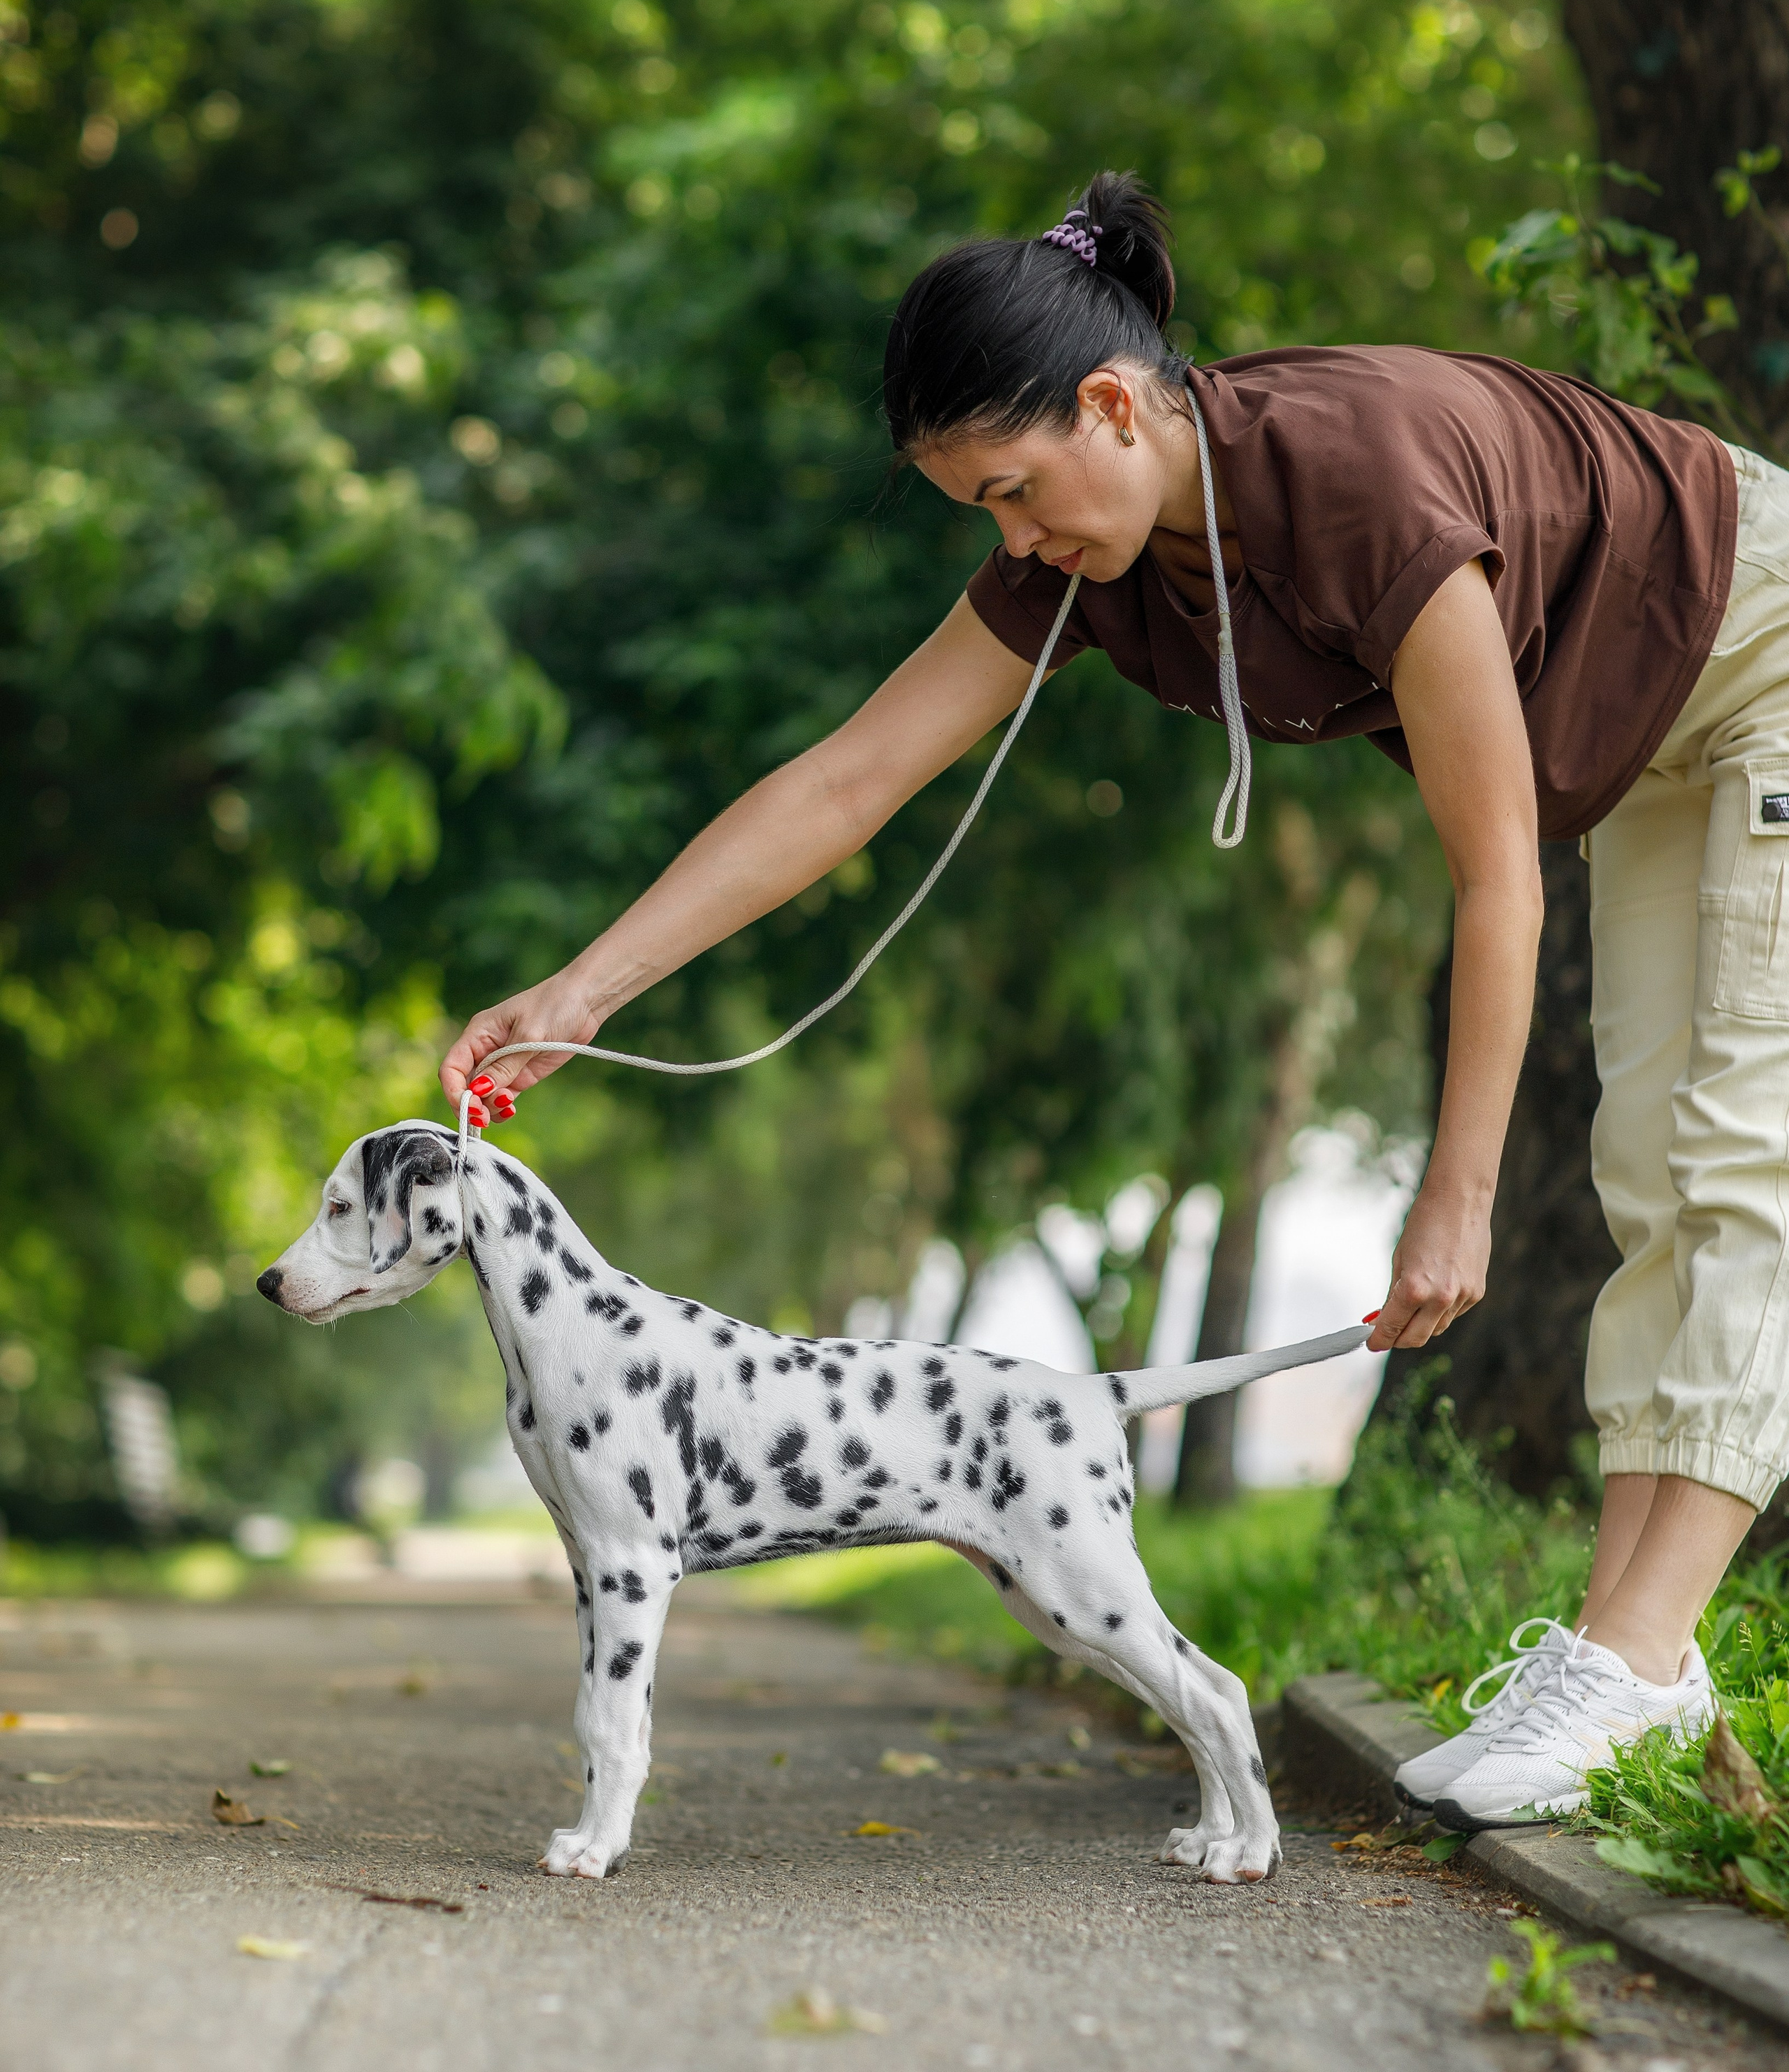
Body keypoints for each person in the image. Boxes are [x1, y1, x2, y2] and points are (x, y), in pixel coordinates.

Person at [442, 170, 1783, 1832]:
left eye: (1013, 492)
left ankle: (1635, 1656)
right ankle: (1619, 1660)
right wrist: (583, 988)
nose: (1012, 542)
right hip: (1647, 737)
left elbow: (1492, 873)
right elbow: (846, 780)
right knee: (1650, 1167)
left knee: (1731, 1161)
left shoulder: (1351, 484)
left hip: (1757, 651)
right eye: (979, 517)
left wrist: (1452, 1195)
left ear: (1107, 406)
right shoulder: (1103, 550)